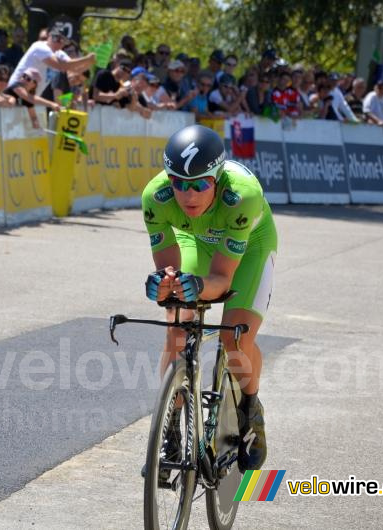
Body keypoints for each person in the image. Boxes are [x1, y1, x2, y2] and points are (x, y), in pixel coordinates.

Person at [141, 124, 277, 473]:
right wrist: (164, 285)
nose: (189, 195)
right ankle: (170, 426)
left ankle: (250, 409)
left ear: (217, 178)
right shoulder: (155, 197)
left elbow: (220, 280)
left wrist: (197, 286)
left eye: (200, 185)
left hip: (250, 247)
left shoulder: (242, 196)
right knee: (177, 322)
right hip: (196, 241)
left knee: (236, 337)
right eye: (179, 184)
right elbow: (168, 271)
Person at [8, 27, 94, 99]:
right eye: (56, 38)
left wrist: (90, 62)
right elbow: (61, 66)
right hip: (14, 94)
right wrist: (87, 59)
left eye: (62, 40)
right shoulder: (40, 47)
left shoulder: (59, 54)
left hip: (30, 98)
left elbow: (75, 69)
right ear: (49, 36)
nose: (58, 42)